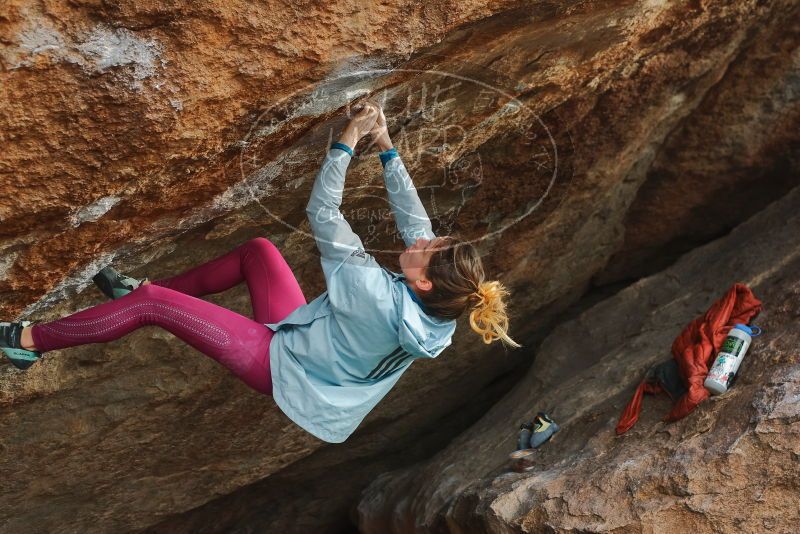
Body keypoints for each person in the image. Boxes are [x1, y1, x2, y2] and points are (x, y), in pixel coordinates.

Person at [0, 100, 520, 443]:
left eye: (428, 248)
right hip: (316, 348)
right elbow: (415, 222)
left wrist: (346, 141)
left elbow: (324, 213)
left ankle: (26, 341)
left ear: (423, 280)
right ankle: (132, 291)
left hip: (285, 369)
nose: (423, 239)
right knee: (259, 251)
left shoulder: (371, 292)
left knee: (153, 305)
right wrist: (385, 146)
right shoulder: (445, 310)